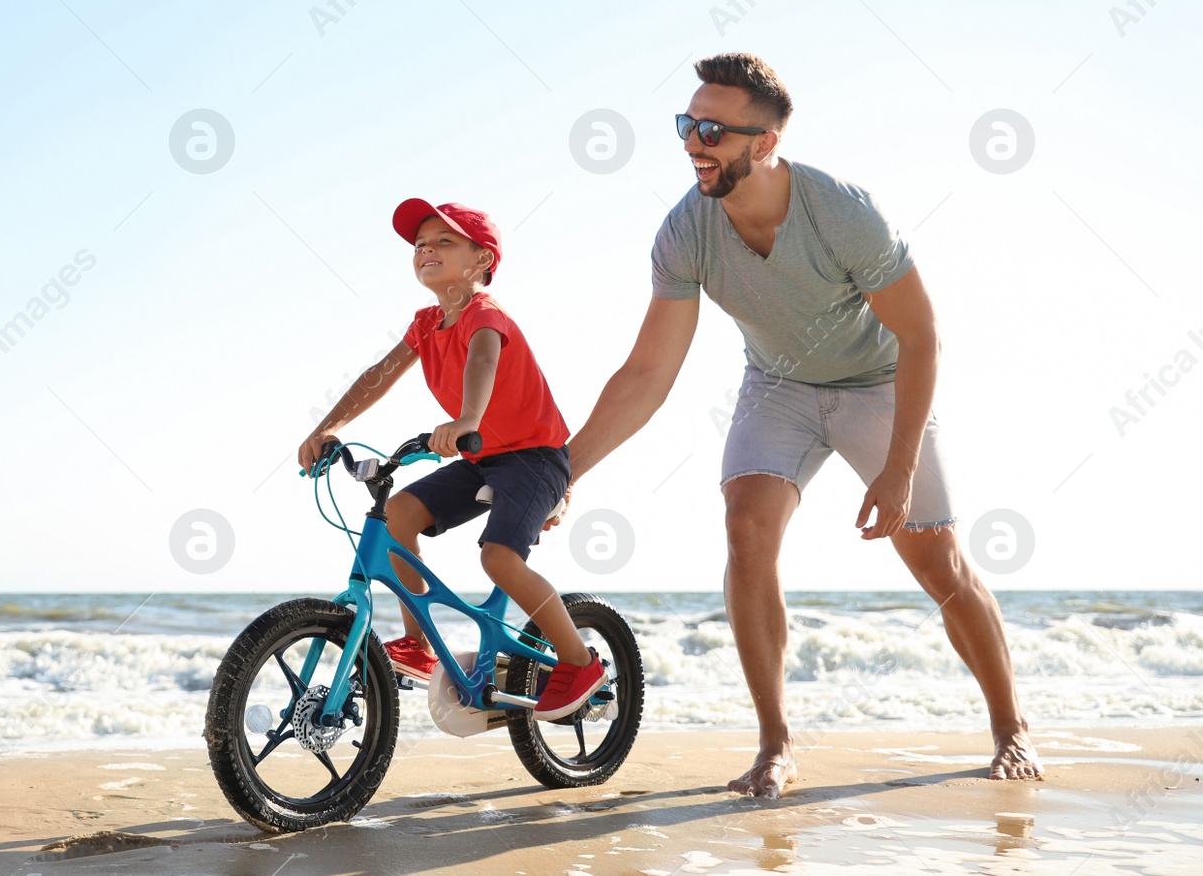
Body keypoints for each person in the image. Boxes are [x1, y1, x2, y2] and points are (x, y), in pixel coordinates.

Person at [564, 52, 1044, 795]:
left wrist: (899, 467)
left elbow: (921, 335)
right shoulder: (686, 230)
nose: (695, 142)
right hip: (778, 386)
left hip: (879, 383)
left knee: (938, 564)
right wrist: (563, 468)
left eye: (714, 130)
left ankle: (1011, 728)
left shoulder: (841, 211)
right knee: (745, 526)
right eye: (687, 124)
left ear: (764, 143)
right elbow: (647, 373)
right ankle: (775, 743)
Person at [296, 199, 604, 720]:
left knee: (498, 558)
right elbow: (380, 373)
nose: (426, 250)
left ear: (482, 260)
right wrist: (330, 426)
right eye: (420, 244)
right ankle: (417, 644)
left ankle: (578, 661)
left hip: (534, 458)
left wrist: (466, 419)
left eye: (444, 241)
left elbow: (484, 358)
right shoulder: (426, 323)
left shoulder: (485, 313)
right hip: (482, 458)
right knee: (395, 517)